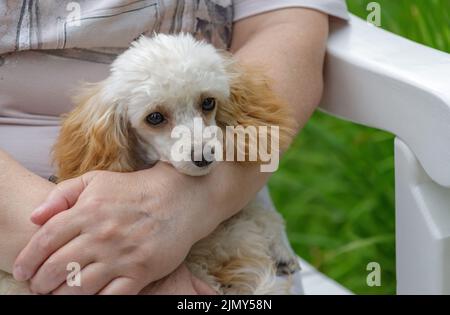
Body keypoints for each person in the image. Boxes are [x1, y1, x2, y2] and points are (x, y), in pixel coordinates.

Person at [0, 0, 348, 294]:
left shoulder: (228, 108)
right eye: (156, 119)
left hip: (222, 202)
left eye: (207, 105)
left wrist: (192, 203)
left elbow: (284, 23)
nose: (198, 146)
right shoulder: (102, 124)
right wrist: (110, 257)